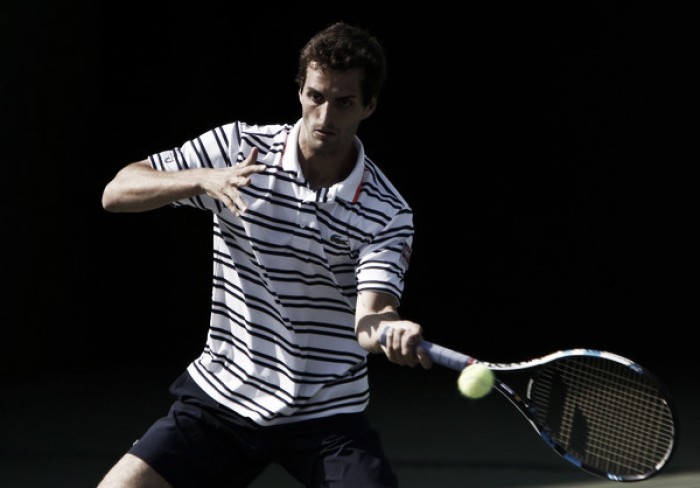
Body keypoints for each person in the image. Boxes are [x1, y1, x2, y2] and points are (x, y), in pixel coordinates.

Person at [98, 21, 431, 488]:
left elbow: (369, 320)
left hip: (326, 414)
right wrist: (201, 179)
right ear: (299, 91)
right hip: (225, 396)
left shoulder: (386, 211)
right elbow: (116, 191)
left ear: (369, 106)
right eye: (315, 96)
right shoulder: (238, 149)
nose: (324, 116)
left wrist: (390, 328)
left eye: (344, 103)